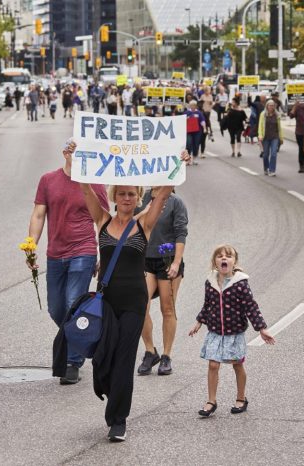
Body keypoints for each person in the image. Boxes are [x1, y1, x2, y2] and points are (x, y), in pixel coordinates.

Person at [78, 149, 191, 442]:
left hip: (133, 302)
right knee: (104, 358)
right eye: (122, 194)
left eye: (132, 194)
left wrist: (179, 163)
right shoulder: (102, 221)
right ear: (115, 197)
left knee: (125, 359)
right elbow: (86, 188)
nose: (127, 198)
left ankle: (118, 420)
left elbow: (163, 194)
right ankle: (108, 390)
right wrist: (73, 159)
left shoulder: (144, 223)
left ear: (138, 196)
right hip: (107, 303)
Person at [29, 139, 109, 385]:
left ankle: (73, 361)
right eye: (74, 153)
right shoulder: (48, 180)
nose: (78, 158)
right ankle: (81, 336)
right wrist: (31, 247)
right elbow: (39, 214)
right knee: (56, 308)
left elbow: (103, 221)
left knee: (73, 302)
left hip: (83, 251)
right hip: (55, 253)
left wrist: (102, 256)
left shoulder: (95, 182)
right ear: (65, 153)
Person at [188, 244, 276, 418]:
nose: (224, 258)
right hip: (215, 332)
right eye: (219, 256)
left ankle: (241, 397)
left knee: (237, 364)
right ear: (215, 262)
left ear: (234, 262)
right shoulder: (210, 282)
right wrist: (199, 322)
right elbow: (208, 305)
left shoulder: (240, 284)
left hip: (234, 333)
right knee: (213, 364)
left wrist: (262, 329)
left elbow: (251, 307)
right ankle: (211, 401)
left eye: (228, 256)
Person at [136, 188, 189, 376]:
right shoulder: (140, 199)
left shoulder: (176, 202)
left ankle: (166, 356)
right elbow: (129, 225)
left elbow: (181, 233)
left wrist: (176, 262)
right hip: (144, 260)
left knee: (167, 308)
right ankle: (150, 351)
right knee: (140, 305)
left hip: (168, 260)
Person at [258, 99, 283, 176]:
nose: (271, 107)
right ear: (267, 106)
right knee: (265, 155)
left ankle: (272, 170)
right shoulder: (263, 114)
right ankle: (266, 168)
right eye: (270, 105)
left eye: (273, 105)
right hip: (265, 137)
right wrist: (260, 135)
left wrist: (281, 138)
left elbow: (279, 127)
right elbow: (260, 126)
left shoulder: (277, 115)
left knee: (274, 154)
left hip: (274, 137)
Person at [185, 100, 206, 164]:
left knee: (196, 145)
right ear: (190, 105)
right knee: (188, 144)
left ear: (196, 106)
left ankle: (194, 159)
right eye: (191, 105)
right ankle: (188, 159)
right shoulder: (186, 112)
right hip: (189, 131)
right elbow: (182, 121)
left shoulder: (199, 113)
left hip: (197, 132)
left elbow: (202, 121)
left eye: (194, 105)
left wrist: (204, 128)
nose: (193, 106)